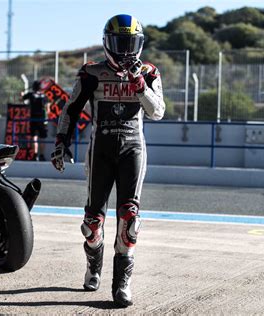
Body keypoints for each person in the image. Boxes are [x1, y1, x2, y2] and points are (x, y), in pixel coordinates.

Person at [51, 14, 165, 307]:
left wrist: (139, 83)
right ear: (107, 43)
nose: (126, 50)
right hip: (99, 150)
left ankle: (122, 284)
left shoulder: (150, 72)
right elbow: (70, 109)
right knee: (91, 224)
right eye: (120, 43)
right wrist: (61, 141)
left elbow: (157, 112)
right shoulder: (91, 72)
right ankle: (93, 264)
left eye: (131, 43)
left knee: (130, 220)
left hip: (133, 150)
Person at [22, 80, 50, 161]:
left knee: (34, 137)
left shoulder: (31, 95)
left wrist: (22, 95)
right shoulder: (45, 96)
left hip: (33, 119)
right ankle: (41, 155)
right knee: (42, 138)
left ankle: (35, 156)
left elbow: (22, 99)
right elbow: (48, 110)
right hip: (42, 120)